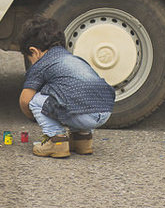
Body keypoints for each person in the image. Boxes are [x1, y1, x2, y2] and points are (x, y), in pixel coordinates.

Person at [18, 15, 116, 158]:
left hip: (83, 114)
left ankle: (56, 141)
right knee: (71, 96)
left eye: (29, 58)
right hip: (105, 111)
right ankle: (82, 140)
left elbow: (25, 100)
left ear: (34, 51)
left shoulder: (41, 64)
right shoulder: (74, 59)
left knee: (37, 100)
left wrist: (35, 116)